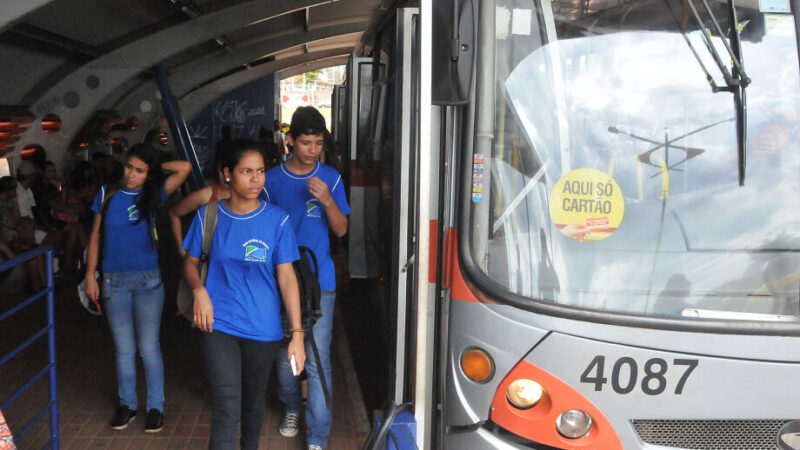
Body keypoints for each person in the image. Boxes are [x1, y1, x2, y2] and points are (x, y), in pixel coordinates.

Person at [182, 140, 306, 450]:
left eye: (261, 171)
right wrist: (199, 290)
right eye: (246, 171)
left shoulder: (277, 219)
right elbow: (190, 263)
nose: (255, 179)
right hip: (218, 323)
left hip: (263, 329)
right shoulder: (209, 215)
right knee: (226, 407)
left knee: (253, 405)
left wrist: (297, 333)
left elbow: (287, 277)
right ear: (227, 174)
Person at [83, 144, 191, 433]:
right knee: (123, 349)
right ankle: (127, 405)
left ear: (149, 173)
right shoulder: (108, 193)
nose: (131, 174)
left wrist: (155, 168)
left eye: (139, 170)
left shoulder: (153, 195)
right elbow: (94, 236)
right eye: (129, 166)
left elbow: (185, 168)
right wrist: (90, 275)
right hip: (113, 281)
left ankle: (155, 407)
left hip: (148, 281)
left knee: (148, 347)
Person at [263, 106, 349, 450]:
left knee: (318, 361)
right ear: (290, 141)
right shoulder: (270, 181)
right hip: (281, 281)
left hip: (321, 282)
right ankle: (291, 409)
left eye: (318, 143)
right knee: (285, 358)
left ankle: (317, 435)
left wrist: (328, 200)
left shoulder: (331, 177)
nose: (312, 150)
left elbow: (341, 229)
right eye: (305, 143)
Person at [169, 145, 231, 258]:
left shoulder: (248, 195)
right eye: (223, 172)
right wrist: (181, 249)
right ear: (218, 170)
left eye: (230, 173)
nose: (226, 178)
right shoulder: (206, 195)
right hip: (208, 262)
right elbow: (174, 213)